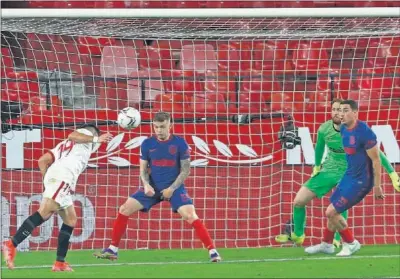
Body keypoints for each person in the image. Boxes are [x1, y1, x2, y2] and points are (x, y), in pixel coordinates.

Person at [93, 112, 221, 262]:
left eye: (162, 127)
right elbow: (143, 169)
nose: (159, 130)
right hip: (153, 187)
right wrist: (146, 185)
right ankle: (112, 249)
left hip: (174, 187)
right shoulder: (147, 144)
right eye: (156, 127)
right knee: (124, 209)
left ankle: (213, 251)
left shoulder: (180, 143)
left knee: (190, 216)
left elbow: (186, 170)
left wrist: (171, 189)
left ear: (170, 126)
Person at [275, 99, 399, 247]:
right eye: (334, 109)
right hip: (329, 170)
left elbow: (377, 154)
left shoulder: (356, 130)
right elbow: (319, 148)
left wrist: (392, 173)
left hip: (349, 172)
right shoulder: (324, 129)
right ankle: (299, 235)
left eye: (340, 110)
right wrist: (316, 166)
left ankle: (337, 240)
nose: (337, 113)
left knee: (338, 206)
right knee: (299, 201)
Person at [2, 125, 113, 271]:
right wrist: (96, 137)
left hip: (57, 177)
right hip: (63, 176)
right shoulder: (87, 135)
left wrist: (48, 182)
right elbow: (73, 135)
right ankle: (11, 244)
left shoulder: (63, 147)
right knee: (45, 212)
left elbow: (42, 161)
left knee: (71, 219)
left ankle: (59, 262)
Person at [305, 99, 386, 256]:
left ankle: (351, 243)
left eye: (345, 110)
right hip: (348, 175)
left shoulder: (365, 133)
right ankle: (327, 244)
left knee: (331, 212)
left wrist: (377, 186)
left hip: (362, 181)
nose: (341, 114)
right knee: (332, 210)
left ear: (355, 113)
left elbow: (376, 160)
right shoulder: (343, 129)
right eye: (339, 110)